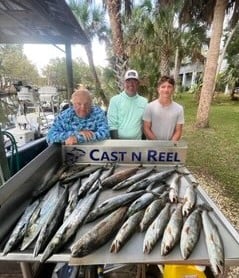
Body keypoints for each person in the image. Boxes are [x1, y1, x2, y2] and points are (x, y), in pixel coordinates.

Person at [107, 69, 148, 139]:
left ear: (138, 84)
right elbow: (112, 125)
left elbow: (144, 125)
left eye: (134, 81)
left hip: (138, 145)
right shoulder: (114, 100)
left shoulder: (144, 102)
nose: (131, 84)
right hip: (119, 146)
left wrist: (143, 144)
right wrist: (117, 145)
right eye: (128, 81)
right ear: (124, 83)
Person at [143, 75, 184, 142]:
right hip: (152, 146)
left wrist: (169, 145)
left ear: (173, 89)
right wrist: (158, 144)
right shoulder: (149, 107)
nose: (166, 90)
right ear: (158, 89)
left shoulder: (179, 109)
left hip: (170, 149)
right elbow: (146, 128)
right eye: (163, 87)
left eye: (169, 87)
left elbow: (178, 131)